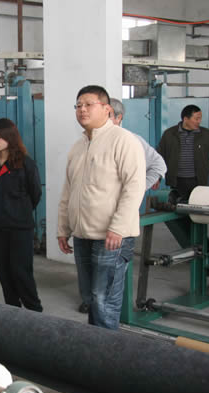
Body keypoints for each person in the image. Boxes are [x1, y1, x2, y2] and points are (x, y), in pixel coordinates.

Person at [57, 85, 146, 330]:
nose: (82, 110)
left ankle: (107, 350)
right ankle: (94, 346)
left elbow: (134, 187)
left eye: (88, 104)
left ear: (107, 109)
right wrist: (63, 228)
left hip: (111, 237)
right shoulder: (78, 146)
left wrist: (118, 227)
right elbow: (69, 191)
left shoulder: (123, 140)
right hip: (83, 235)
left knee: (103, 300)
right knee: (89, 297)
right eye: (78, 105)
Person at [76, 98, 167, 314]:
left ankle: (103, 313)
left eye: (107, 116)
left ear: (118, 118)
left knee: (108, 277)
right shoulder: (87, 142)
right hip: (90, 220)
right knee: (88, 267)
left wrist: (139, 188)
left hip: (116, 220)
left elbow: (158, 165)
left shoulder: (130, 141)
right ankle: (89, 302)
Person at [0, 118, 43, 312]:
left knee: (21, 272)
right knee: (3, 272)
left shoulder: (26, 164)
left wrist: (18, 210)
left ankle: (34, 312)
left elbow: (35, 194)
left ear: (10, 137)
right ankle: (12, 312)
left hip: (19, 228)